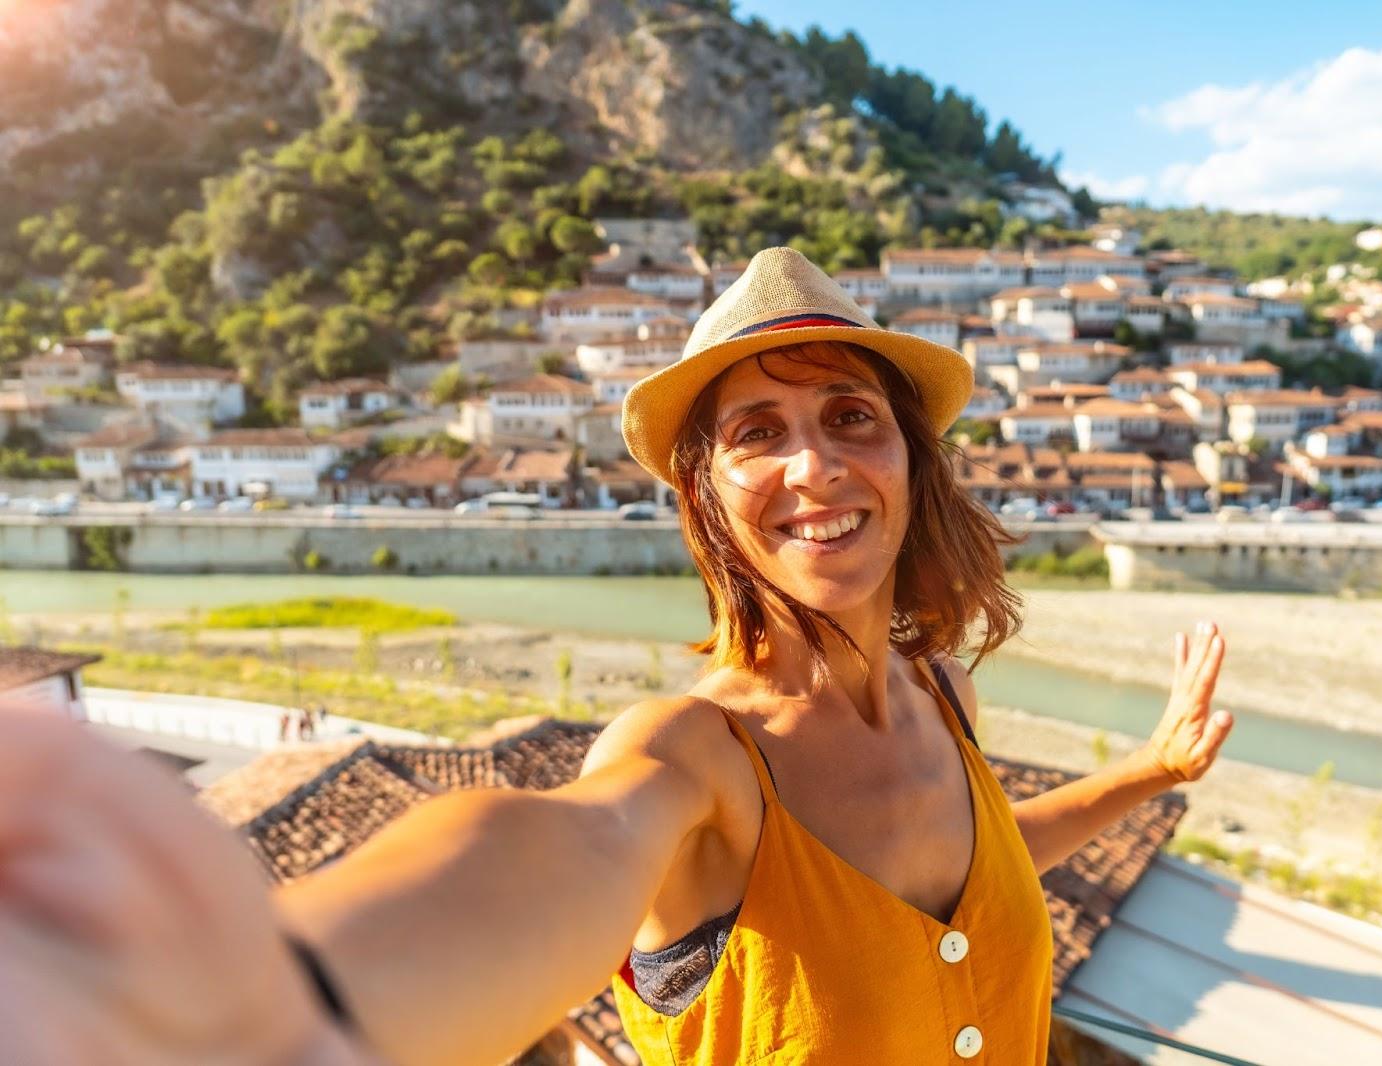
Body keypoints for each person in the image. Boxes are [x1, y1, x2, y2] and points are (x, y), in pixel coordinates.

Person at [0, 247, 1232, 1066]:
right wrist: (259, 1013)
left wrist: (1155, 772)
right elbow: (560, 845)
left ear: (910, 462)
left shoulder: (942, 694)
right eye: (759, 433)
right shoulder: (692, 758)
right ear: (706, 498)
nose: (815, 465)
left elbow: (984, 852)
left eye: (851, 417)